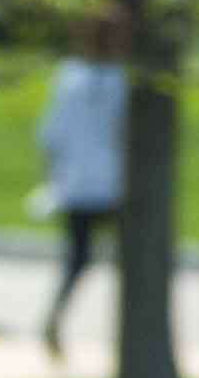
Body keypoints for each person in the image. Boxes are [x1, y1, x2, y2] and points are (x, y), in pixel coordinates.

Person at [32, 24, 130, 354]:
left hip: (75, 184)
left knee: (78, 260)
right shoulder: (123, 81)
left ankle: (55, 317)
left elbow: (50, 135)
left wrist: (53, 178)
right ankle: (124, 331)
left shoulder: (70, 77)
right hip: (115, 184)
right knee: (128, 259)